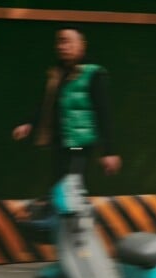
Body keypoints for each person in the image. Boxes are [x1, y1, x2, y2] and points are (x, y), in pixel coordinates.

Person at [12, 25, 122, 192]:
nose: (62, 47)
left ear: (81, 44)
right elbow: (45, 103)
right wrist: (29, 123)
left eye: (68, 42)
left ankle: (73, 205)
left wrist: (109, 151)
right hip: (60, 140)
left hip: (79, 143)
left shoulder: (93, 73)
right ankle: (61, 204)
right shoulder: (57, 73)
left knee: (73, 177)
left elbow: (104, 112)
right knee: (60, 179)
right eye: (60, 42)